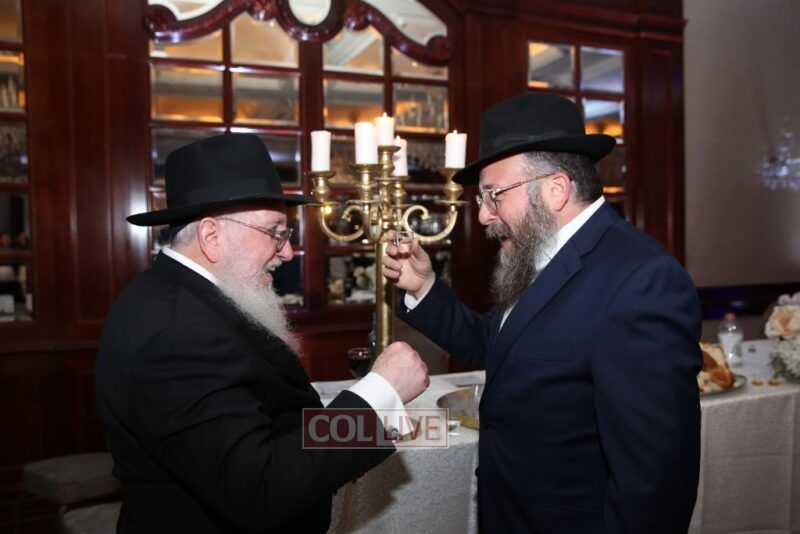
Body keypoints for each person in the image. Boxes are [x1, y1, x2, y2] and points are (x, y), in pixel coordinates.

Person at [383, 93, 702, 533]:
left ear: (555, 190)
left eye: (494, 195)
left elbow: (656, 485)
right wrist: (424, 288)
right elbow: (501, 348)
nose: (484, 215)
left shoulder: (642, 281)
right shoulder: (540, 255)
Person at [96, 133, 429, 533]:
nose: (287, 252)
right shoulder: (179, 336)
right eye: (275, 232)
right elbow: (261, 489)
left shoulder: (181, 297)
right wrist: (379, 394)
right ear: (211, 236)